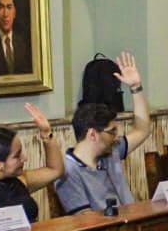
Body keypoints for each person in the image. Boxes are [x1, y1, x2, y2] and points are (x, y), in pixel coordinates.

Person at [55, 52, 150, 213]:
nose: (117, 136)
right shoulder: (68, 172)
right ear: (92, 135)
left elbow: (142, 129)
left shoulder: (110, 151)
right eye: (112, 131)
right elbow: (86, 220)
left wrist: (136, 87)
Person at [0, 104, 64, 222]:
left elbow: (55, 170)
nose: (24, 158)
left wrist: (46, 134)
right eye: (17, 155)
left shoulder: (20, 179)